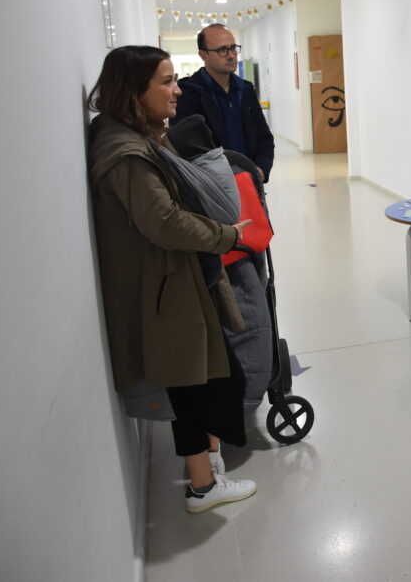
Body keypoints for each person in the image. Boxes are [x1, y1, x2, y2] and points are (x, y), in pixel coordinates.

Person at [88, 45, 258, 514]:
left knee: (206, 378)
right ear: (133, 91)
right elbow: (163, 222)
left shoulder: (133, 135)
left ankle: (209, 467)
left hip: (172, 280)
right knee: (191, 386)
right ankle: (202, 487)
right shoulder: (126, 152)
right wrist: (224, 236)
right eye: (165, 81)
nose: (176, 90)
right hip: (166, 286)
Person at [172, 24, 275, 182]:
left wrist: (261, 170)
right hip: (212, 190)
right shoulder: (187, 94)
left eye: (233, 48)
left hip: (250, 184)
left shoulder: (245, 90)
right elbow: (185, 148)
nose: (231, 55)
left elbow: (265, 138)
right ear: (203, 55)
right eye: (222, 50)